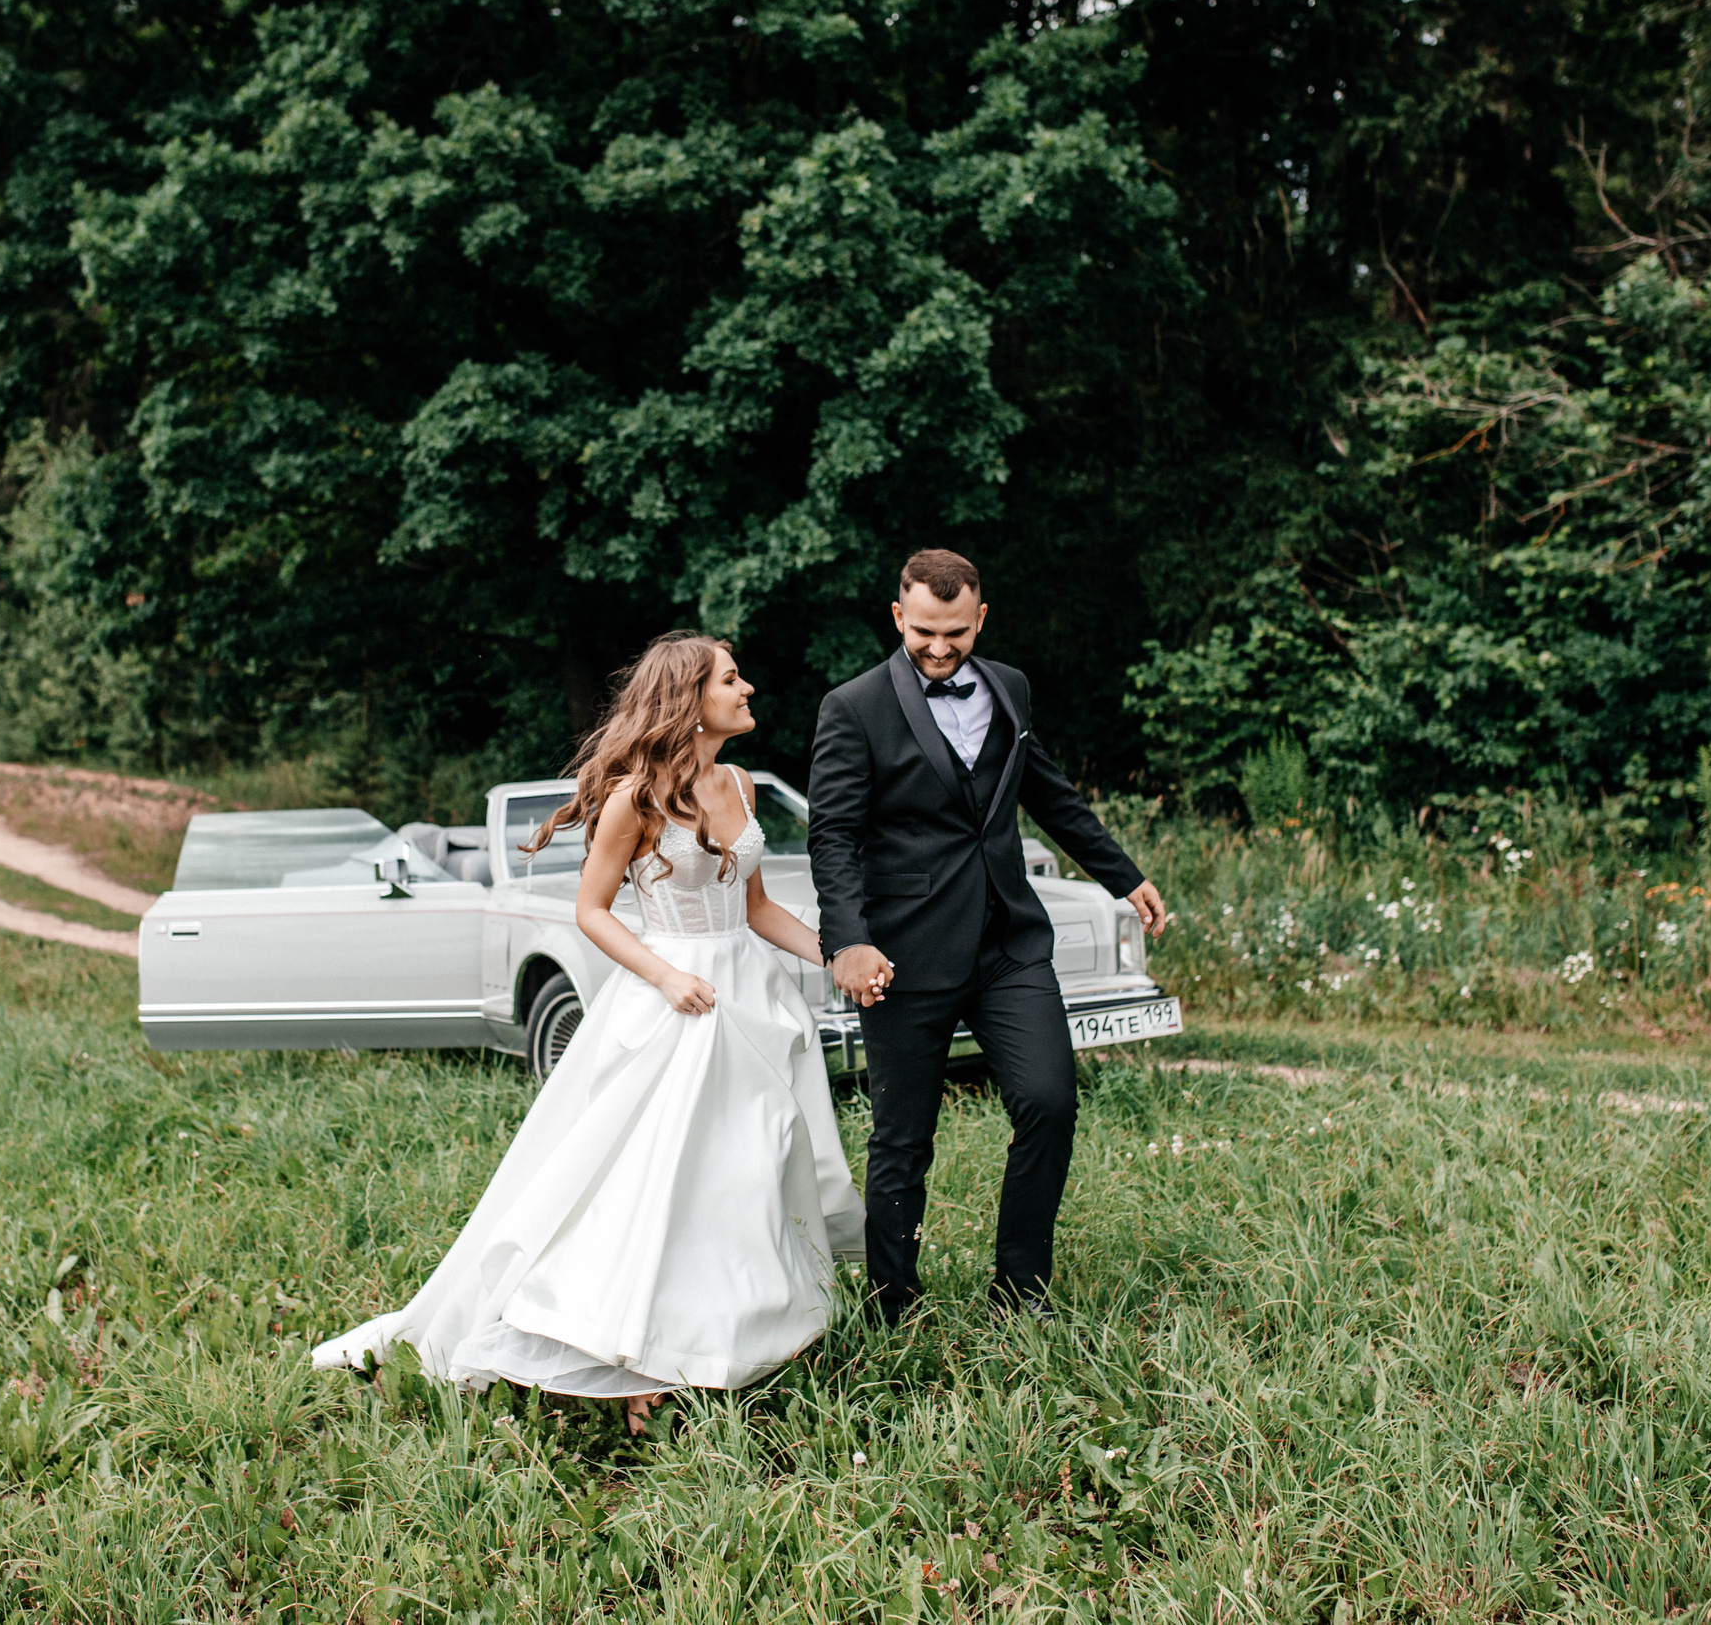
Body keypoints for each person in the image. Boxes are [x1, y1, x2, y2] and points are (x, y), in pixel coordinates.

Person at [311, 634, 866, 1432]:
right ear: (688, 698)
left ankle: (742, 1331)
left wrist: (837, 952)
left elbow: (756, 910)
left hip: (751, 995)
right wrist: (667, 975)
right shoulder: (634, 800)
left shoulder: (740, 783)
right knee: (663, 1178)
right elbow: (592, 911)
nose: (748, 688)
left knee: (750, 1166)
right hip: (673, 998)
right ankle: (630, 1353)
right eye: (730, 678)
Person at [807, 549, 1167, 1323]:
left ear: (981, 619)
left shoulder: (1010, 687)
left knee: (1049, 1100)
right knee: (903, 1139)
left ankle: (1021, 1289)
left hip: (1008, 941)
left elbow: (1047, 793)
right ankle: (892, 1303)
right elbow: (832, 836)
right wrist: (848, 942)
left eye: (957, 633)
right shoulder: (853, 705)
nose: (941, 648)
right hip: (904, 952)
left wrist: (1122, 874)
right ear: (900, 616)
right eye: (926, 631)